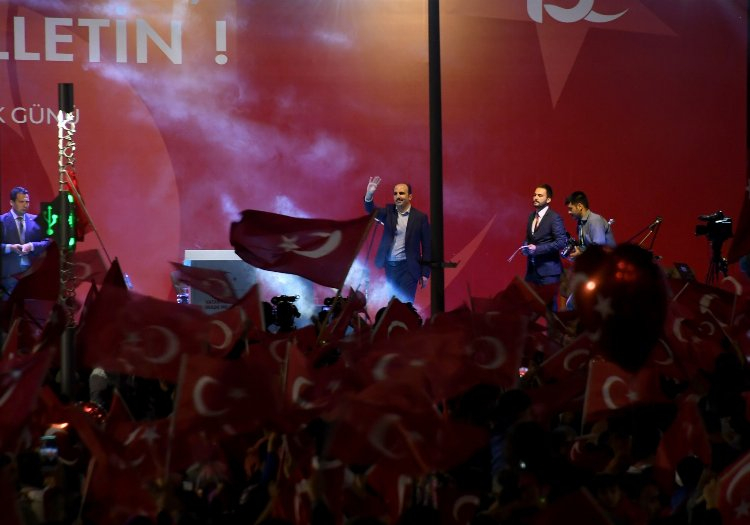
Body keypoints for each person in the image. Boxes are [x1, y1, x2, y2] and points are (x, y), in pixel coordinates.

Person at [363, 176, 431, 303]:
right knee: (392, 304)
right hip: (391, 267)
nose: (398, 196)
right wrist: (369, 194)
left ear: (410, 197)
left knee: (405, 304)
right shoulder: (389, 213)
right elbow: (370, 210)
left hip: (409, 268)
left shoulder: (420, 218)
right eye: (395, 194)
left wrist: (425, 273)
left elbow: (427, 247)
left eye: (401, 193)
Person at [0, 186, 50, 299]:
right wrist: (10, 247)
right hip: (9, 277)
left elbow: (47, 242)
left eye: (27, 201)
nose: (25, 205)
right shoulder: (1, 221)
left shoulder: (36, 220)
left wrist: (32, 246)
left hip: (32, 275)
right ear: (11, 202)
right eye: (21, 202)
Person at [522, 184, 567, 292]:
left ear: (548, 199)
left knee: (548, 302)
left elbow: (561, 242)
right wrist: (525, 247)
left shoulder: (554, 217)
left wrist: (537, 249)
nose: (535, 198)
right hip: (531, 272)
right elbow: (529, 238)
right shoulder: (531, 216)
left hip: (549, 273)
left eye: (540, 195)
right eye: (534, 195)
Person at [564, 190, 616, 259]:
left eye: (570, 209)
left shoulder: (595, 220)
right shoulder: (580, 223)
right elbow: (587, 247)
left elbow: (599, 249)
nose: (569, 212)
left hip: (605, 262)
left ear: (580, 206)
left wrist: (581, 254)